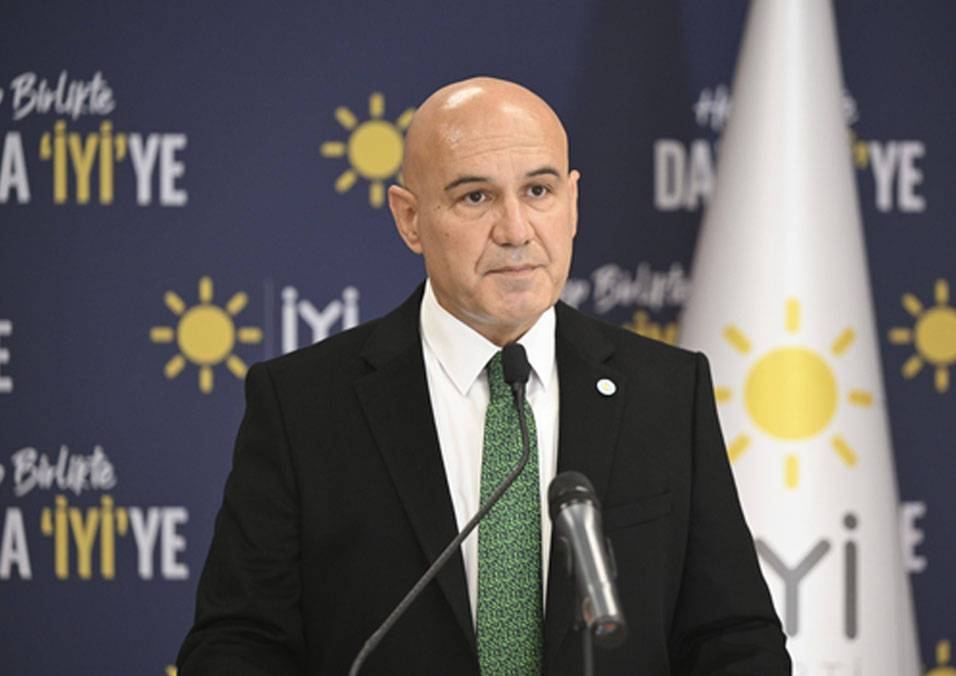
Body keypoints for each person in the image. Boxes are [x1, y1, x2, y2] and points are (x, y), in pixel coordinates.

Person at [177, 76, 789, 675]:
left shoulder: (666, 391)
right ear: (410, 218)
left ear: (573, 203)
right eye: (476, 197)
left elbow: (734, 638)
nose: (516, 230)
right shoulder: (303, 405)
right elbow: (238, 644)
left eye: (539, 191)